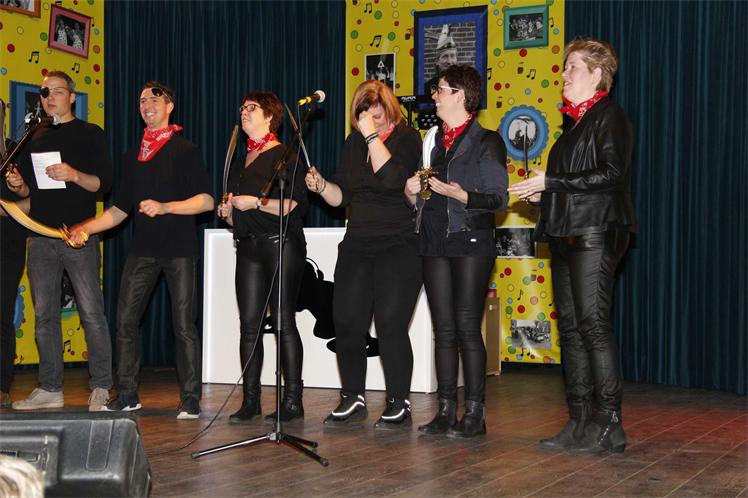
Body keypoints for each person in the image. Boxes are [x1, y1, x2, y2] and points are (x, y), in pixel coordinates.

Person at [508, 39, 635, 454]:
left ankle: (609, 422)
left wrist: (552, 182)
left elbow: (612, 174)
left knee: (593, 326)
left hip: (596, 231)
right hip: (565, 234)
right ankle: (579, 420)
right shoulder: (570, 129)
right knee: (572, 330)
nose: (564, 74)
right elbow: (571, 185)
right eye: (565, 67)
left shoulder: (609, 116)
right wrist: (543, 195)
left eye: (573, 66)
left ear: (597, 75)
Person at [69, 82, 213, 419]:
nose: (147, 104)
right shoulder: (132, 155)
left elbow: (206, 201)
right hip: (142, 251)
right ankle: (128, 393)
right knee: (125, 321)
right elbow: (120, 210)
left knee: (183, 326)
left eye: (154, 99)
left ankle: (190, 397)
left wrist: (166, 207)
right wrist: (85, 229)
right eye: (142, 100)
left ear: (169, 106)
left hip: (180, 251)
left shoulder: (185, 150)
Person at [305, 80, 422, 429]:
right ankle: (352, 397)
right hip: (357, 242)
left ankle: (399, 401)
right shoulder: (352, 143)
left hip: (398, 243)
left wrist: (373, 137)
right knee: (346, 322)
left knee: (390, 325)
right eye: (365, 117)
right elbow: (343, 196)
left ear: (390, 111)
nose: (372, 122)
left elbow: (393, 180)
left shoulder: (408, 138)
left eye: (378, 116)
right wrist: (322, 187)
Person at [405, 64, 508, 438]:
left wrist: (461, 195)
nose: (434, 96)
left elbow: (498, 199)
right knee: (443, 328)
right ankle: (446, 409)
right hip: (433, 239)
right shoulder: (432, 141)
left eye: (441, 89)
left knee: (466, 325)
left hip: (470, 240)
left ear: (461, 96)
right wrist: (411, 192)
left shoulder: (487, 141)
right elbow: (424, 196)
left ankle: (475, 413)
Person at [8, 71, 113, 411]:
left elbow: (103, 185)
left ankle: (101, 386)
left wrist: (73, 174)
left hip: (77, 236)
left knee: (92, 313)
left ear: (72, 96)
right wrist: (18, 185)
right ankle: (50, 388)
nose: (49, 97)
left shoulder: (90, 133)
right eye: (44, 92)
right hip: (40, 236)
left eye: (56, 91)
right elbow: (30, 193)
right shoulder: (33, 137)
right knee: (44, 316)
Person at [216, 91, 308, 423]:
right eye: (242, 108)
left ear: (270, 116)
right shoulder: (240, 161)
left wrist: (255, 202)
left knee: (283, 322)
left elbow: (294, 205)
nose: (243, 112)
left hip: (281, 244)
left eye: (251, 108)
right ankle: (251, 400)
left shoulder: (285, 154)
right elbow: (235, 218)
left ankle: (293, 401)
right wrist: (228, 212)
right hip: (248, 247)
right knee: (249, 327)